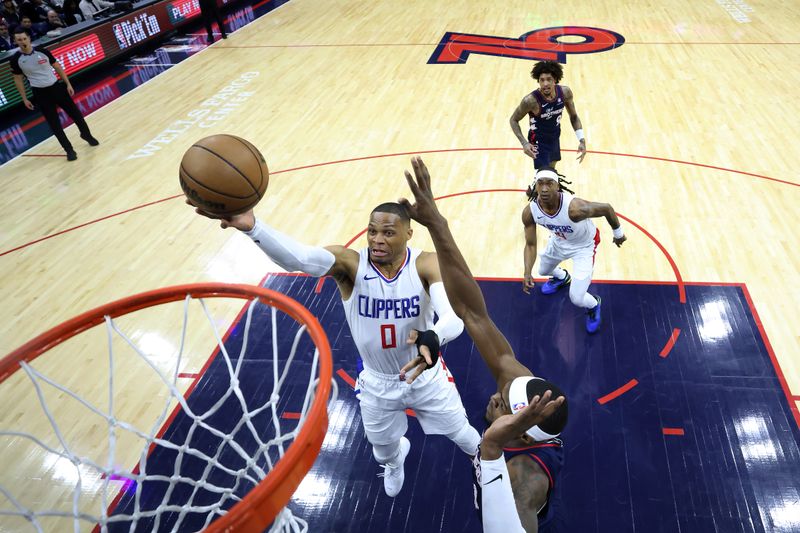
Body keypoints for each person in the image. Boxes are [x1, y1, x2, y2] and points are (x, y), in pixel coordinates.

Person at [189, 200, 481, 498]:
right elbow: (300, 260)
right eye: (372, 231)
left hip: (425, 376)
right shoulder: (350, 264)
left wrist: (435, 335)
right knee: (382, 453)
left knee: (465, 435)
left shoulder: (425, 263)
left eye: (389, 233)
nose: (378, 240)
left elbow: (452, 317)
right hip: (377, 381)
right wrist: (254, 227)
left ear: (409, 233)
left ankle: (485, 467)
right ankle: (395, 460)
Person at [399, 157, 568, 532]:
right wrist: (437, 225)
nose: (495, 396)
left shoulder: (523, 482)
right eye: (504, 395)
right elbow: (472, 312)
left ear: (522, 431)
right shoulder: (517, 382)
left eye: (503, 405)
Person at [521, 166, 626, 333]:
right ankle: (562, 277)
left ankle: (594, 305)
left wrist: (618, 234)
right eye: (540, 183)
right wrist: (527, 271)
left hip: (583, 247)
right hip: (559, 241)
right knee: (542, 270)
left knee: (577, 298)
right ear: (535, 186)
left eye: (550, 183)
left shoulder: (575, 209)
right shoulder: (530, 211)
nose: (544, 188)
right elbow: (531, 244)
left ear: (558, 186)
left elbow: (607, 208)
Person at [10, 27, 99, 161]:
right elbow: (18, 79)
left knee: (76, 115)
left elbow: (57, 66)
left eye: (24, 38)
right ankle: (69, 149)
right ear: (15, 41)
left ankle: (86, 135)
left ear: (29, 38)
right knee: (54, 124)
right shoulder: (16, 59)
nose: (22, 41)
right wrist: (24, 98)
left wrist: (67, 83)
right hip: (40, 93)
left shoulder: (42, 51)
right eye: (19, 40)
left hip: (56, 87)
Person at [510, 60, 587, 170]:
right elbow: (513, 120)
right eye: (542, 80)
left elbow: (574, 117)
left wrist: (582, 140)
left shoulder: (565, 93)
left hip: (554, 136)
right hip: (537, 140)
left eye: (549, 79)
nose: (545, 84)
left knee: (551, 169)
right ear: (538, 81)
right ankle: (536, 185)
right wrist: (524, 143)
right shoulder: (530, 101)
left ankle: (537, 184)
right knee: (544, 174)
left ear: (555, 80)